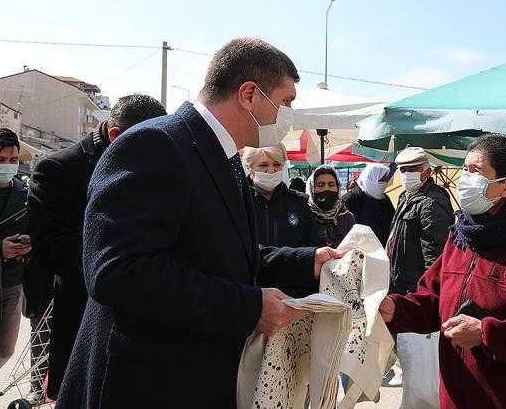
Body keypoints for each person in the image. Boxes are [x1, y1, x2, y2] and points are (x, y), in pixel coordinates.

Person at [56, 38, 347, 409]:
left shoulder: (222, 157)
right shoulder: (155, 145)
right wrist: (248, 307)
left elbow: (219, 252)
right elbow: (119, 272)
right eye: (285, 101)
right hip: (143, 385)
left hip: (191, 377)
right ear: (249, 95)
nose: (287, 115)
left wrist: (307, 260)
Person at [378, 134, 506, 408]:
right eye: (464, 169)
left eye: (476, 171)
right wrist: (396, 309)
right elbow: (434, 299)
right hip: (457, 396)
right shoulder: (460, 236)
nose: (465, 179)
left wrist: (487, 334)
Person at [28, 95, 166, 399]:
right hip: (84, 315)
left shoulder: (148, 165)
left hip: (144, 325)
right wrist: (117, 268)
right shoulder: (57, 169)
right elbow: (50, 247)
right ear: (115, 136)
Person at [385, 147, 454, 395]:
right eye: (402, 170)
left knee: (421, 368)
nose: (406, 174)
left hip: (416, 290)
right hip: (402, 286)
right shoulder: (406, 197)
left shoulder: (432, 203)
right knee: (410, 363)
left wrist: (429, 296)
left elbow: (435, 258)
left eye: (411, 169)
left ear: (425, 171)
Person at [242, 145, 318, 298]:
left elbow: (311, 244)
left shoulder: (299, 203)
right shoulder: (239, 203)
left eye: (276, 165)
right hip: (251, 293)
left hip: (293, 294)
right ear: (250, 168)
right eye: (263, 165)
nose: (271, 170)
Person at [0, 129, 32, 379]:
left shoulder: (24, 193)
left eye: (13, 160)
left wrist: (29, 243)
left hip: (11, 282)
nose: (7, 166)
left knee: (5, 350)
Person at [341, 163, 395, 245]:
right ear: (371, 178)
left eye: (386, 180)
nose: (385, 183)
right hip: (357, 250)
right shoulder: (352, 198)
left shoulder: (385, 199)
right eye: (382, 180)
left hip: (382, 251)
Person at [305, 165, 356, 248]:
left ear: (338, 187)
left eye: (331, 185)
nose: (326, 189)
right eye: (321, 185)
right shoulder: (304, 215)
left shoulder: (347, 218)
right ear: (312, 189)